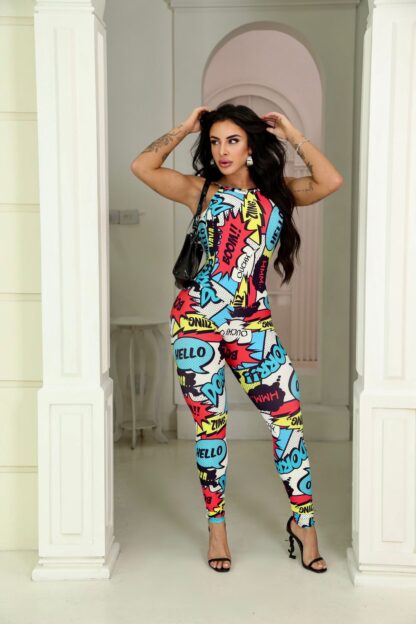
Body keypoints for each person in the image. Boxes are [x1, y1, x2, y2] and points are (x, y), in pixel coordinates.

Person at [130, 103, 343, 573]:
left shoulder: (279, 195)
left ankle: (304, 526)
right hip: (196, 323)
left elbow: (330, 180)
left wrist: (291, 132)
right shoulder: (201, 191)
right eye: (214, 142)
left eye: (232, 140)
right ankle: (217, 530)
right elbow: (142, 166)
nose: (221, 151)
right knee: (212, 428)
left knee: (287, 420)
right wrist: (187, 126)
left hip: (253, 326)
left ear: (250, 146)